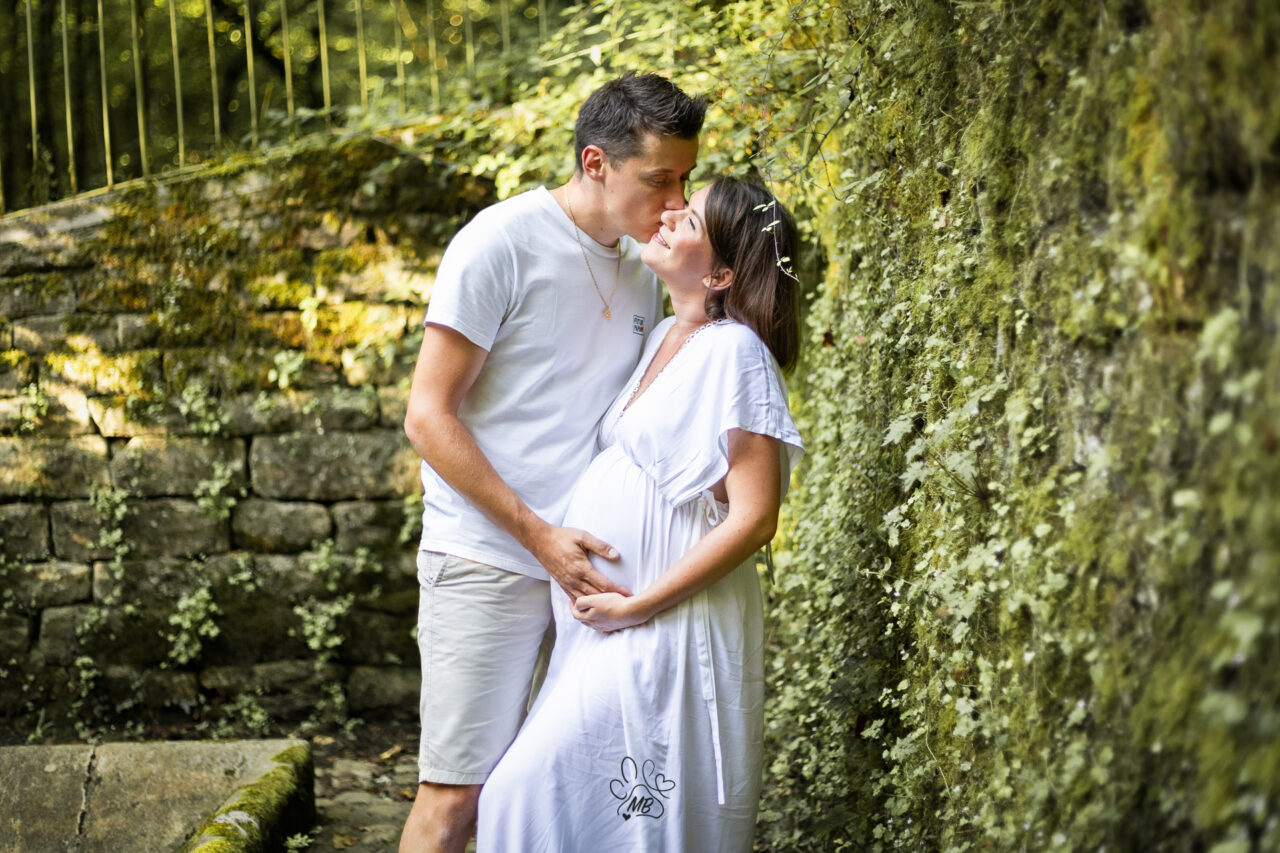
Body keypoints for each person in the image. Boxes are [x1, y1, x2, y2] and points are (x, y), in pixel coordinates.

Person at [398, 73, 706, 853]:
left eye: (685, 179)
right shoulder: (499, 241)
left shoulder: (649, 267)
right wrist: (539, 536)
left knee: (551, 790)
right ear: (595, 162)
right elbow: (427, 416)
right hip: (488, 555)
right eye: (659, 179)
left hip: (596, 575)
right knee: (457, 795)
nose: (676, 201)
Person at [475, 177, 804, 852]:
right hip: (613, 629)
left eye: (688, 218)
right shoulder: (660, 334)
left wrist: (641, 604)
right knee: (580, 809)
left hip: (666, 625)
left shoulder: (737, 352)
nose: (667, 215)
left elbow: (756, 516)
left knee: (529, 794)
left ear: (719, 272)